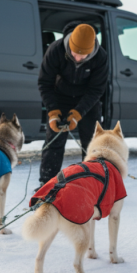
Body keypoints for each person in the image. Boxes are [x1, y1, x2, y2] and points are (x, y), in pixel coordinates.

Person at [37, 22, 109, 187]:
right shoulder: (56, 50)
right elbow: (45, 83)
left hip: (87, 101)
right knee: (54, 141)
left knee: (93, 143)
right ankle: (47, 183)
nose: (77, 58)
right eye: (75, 53)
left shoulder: (101, 57)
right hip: (59, 98)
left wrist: (78, 113)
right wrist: (53, 111)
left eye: (82, 56)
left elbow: (96, 90)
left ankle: (93, 182)